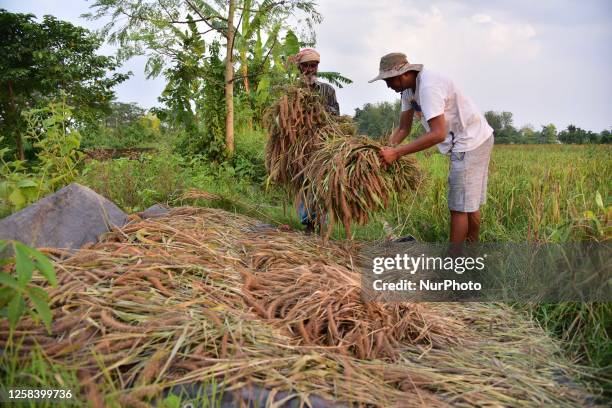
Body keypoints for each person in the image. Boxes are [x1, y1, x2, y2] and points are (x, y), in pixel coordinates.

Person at [370, 53, 494, 243]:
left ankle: (455, 262)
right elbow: (404, 128)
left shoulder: (428, 87)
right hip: (470, 139)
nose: (387, 86)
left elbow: (438, 134)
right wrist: (383, 150)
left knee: (459, 207)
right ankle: (471, 254)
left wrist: (396, 153)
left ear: (402, 74)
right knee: (468, 203)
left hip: (471, 141)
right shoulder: (408, 91)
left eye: (389, 80)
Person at [293, 48, 340, 233]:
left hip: (323, 144)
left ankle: (321, 223)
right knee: (304, 183)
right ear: (300, 68)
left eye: (314, 65)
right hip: (301, 146)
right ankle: (308, 223)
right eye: (306, 66)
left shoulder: (327, 90)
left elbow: (336, 114)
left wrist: (320, 113)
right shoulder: (293, 91)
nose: (311, 69)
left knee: (321, 183)